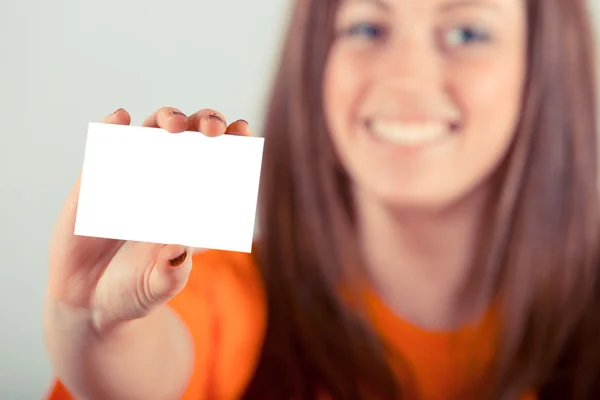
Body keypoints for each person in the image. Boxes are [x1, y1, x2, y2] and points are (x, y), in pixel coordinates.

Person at [44, 0, 599, 399]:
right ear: (315, 62)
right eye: (366, 27)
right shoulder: (220, 290)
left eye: (468, 34)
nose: (406, 76)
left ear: (545, 68)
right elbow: (141, 373)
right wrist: (90, 324)